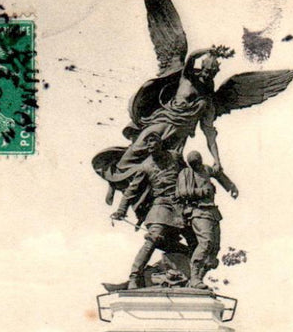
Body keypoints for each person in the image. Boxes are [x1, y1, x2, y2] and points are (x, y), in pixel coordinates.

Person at [93, 49, 225, 217]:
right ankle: (113, 182)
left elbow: (209, 133)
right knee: (133, 153)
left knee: (165, 170)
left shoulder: (207, 101)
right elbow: (191, 57)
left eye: (211, 74)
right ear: (202, 67)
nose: (206, 75)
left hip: (178, 138)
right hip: (162, 123)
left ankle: (151, 208)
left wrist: (217, 160)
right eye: (205, 71)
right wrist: (208, 51)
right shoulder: (187, 79)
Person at [111, 132, 193, 289]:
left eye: (153, 141)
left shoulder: (174, 156)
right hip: (160, 207)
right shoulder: (145, 166)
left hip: (181, 207)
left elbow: (188, 175)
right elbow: (132, 190)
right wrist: (121, 210)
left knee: (197, 244)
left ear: (160, 143)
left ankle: (193, 278)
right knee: (153, 239)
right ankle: (134, 277)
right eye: (147, 143)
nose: (150, 145)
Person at [176, 150, 238, 289]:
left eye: (198, 163)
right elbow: (181, 192)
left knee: (214, 248)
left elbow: (218, 174)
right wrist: (201, 192)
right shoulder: (185, 173)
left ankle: (198, 279)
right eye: (194, 164)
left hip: (212, 212)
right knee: (206, 242)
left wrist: (231, 187)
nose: (197, 166)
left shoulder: (206, 169)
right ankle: (195, 278)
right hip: (198, 212)